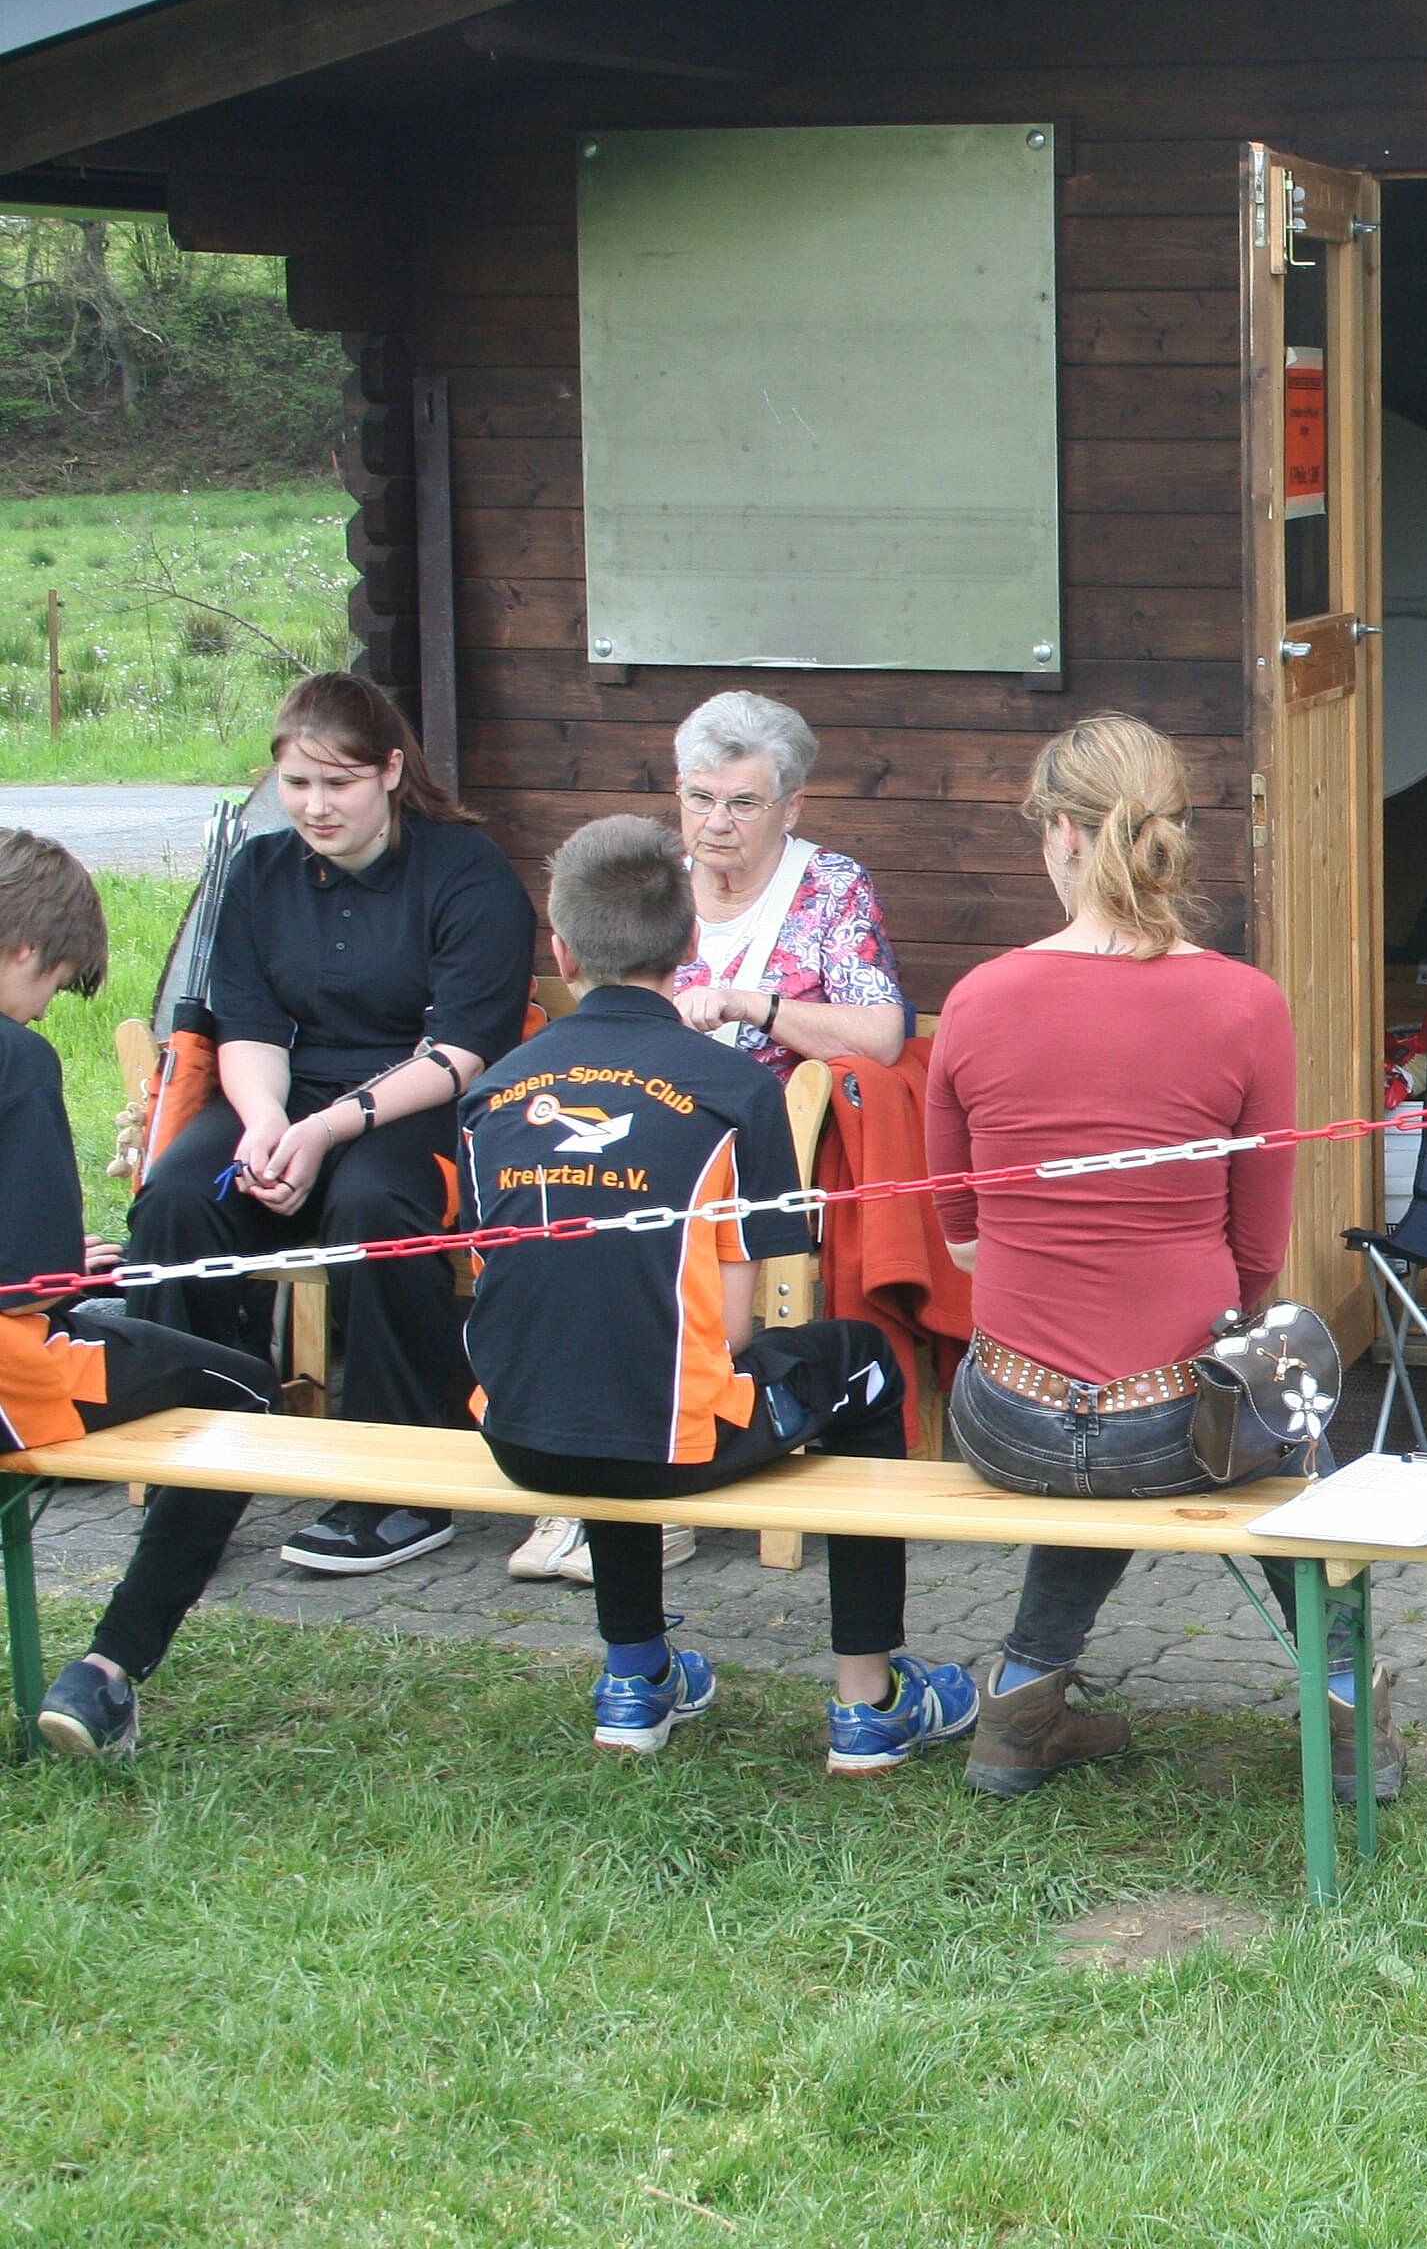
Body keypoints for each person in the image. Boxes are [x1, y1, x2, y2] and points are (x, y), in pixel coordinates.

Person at [923, 717, 1384, 1803]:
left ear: (1060, 834)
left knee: (1096, 1438)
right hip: (1177, 1420)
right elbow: (1257, 1254)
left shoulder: (978, 997)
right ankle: (1350, 1713)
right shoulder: (1243, 1001)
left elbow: (961, 1237)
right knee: (1281, 1415)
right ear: (1171, 835)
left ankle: (1023, 1705)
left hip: (1009, 1419)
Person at [460, 814, 978, 1768]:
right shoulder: (734, 1088)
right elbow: (735, 1327)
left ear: (561, 949)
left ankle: (634, 1679)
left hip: (520, 1441)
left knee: (611, 1347)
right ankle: (868, 1701)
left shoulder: (491, 1092)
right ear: (691, 942)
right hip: (669, 1442)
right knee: (862, 1361)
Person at [123, 673, 534, 1577]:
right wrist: (266, 1125)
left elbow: (463, 1051)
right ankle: (194, 1462)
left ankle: (397, 1488)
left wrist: (326, 1132)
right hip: (282, 1089)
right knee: (178, 1200)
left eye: (338, 783)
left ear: (390, 770)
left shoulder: (466, 872)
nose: (314, 806)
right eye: (296, 784)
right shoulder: (257, 871)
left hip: (418, 1101)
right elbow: (246, 1026)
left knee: (374, 1204)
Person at [507, 690, 911, 1587]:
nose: (715, 823)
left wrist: (750, 1005)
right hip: (640, 1131)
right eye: (699, 798)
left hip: (758, 1142)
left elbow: (881, 1034)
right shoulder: (649, 877)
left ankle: (646, 1482)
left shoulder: (830, 888)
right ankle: (596, 1476)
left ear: (791, 807)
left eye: (743, 802)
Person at [0, 832, 287, 1760]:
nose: (43, 1012)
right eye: (53, 987)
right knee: (249, 1390)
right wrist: (67, 1266)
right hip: (10, 1379)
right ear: (25, 951)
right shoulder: (17, 1058)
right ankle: (108, 1670)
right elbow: (30, 1283)